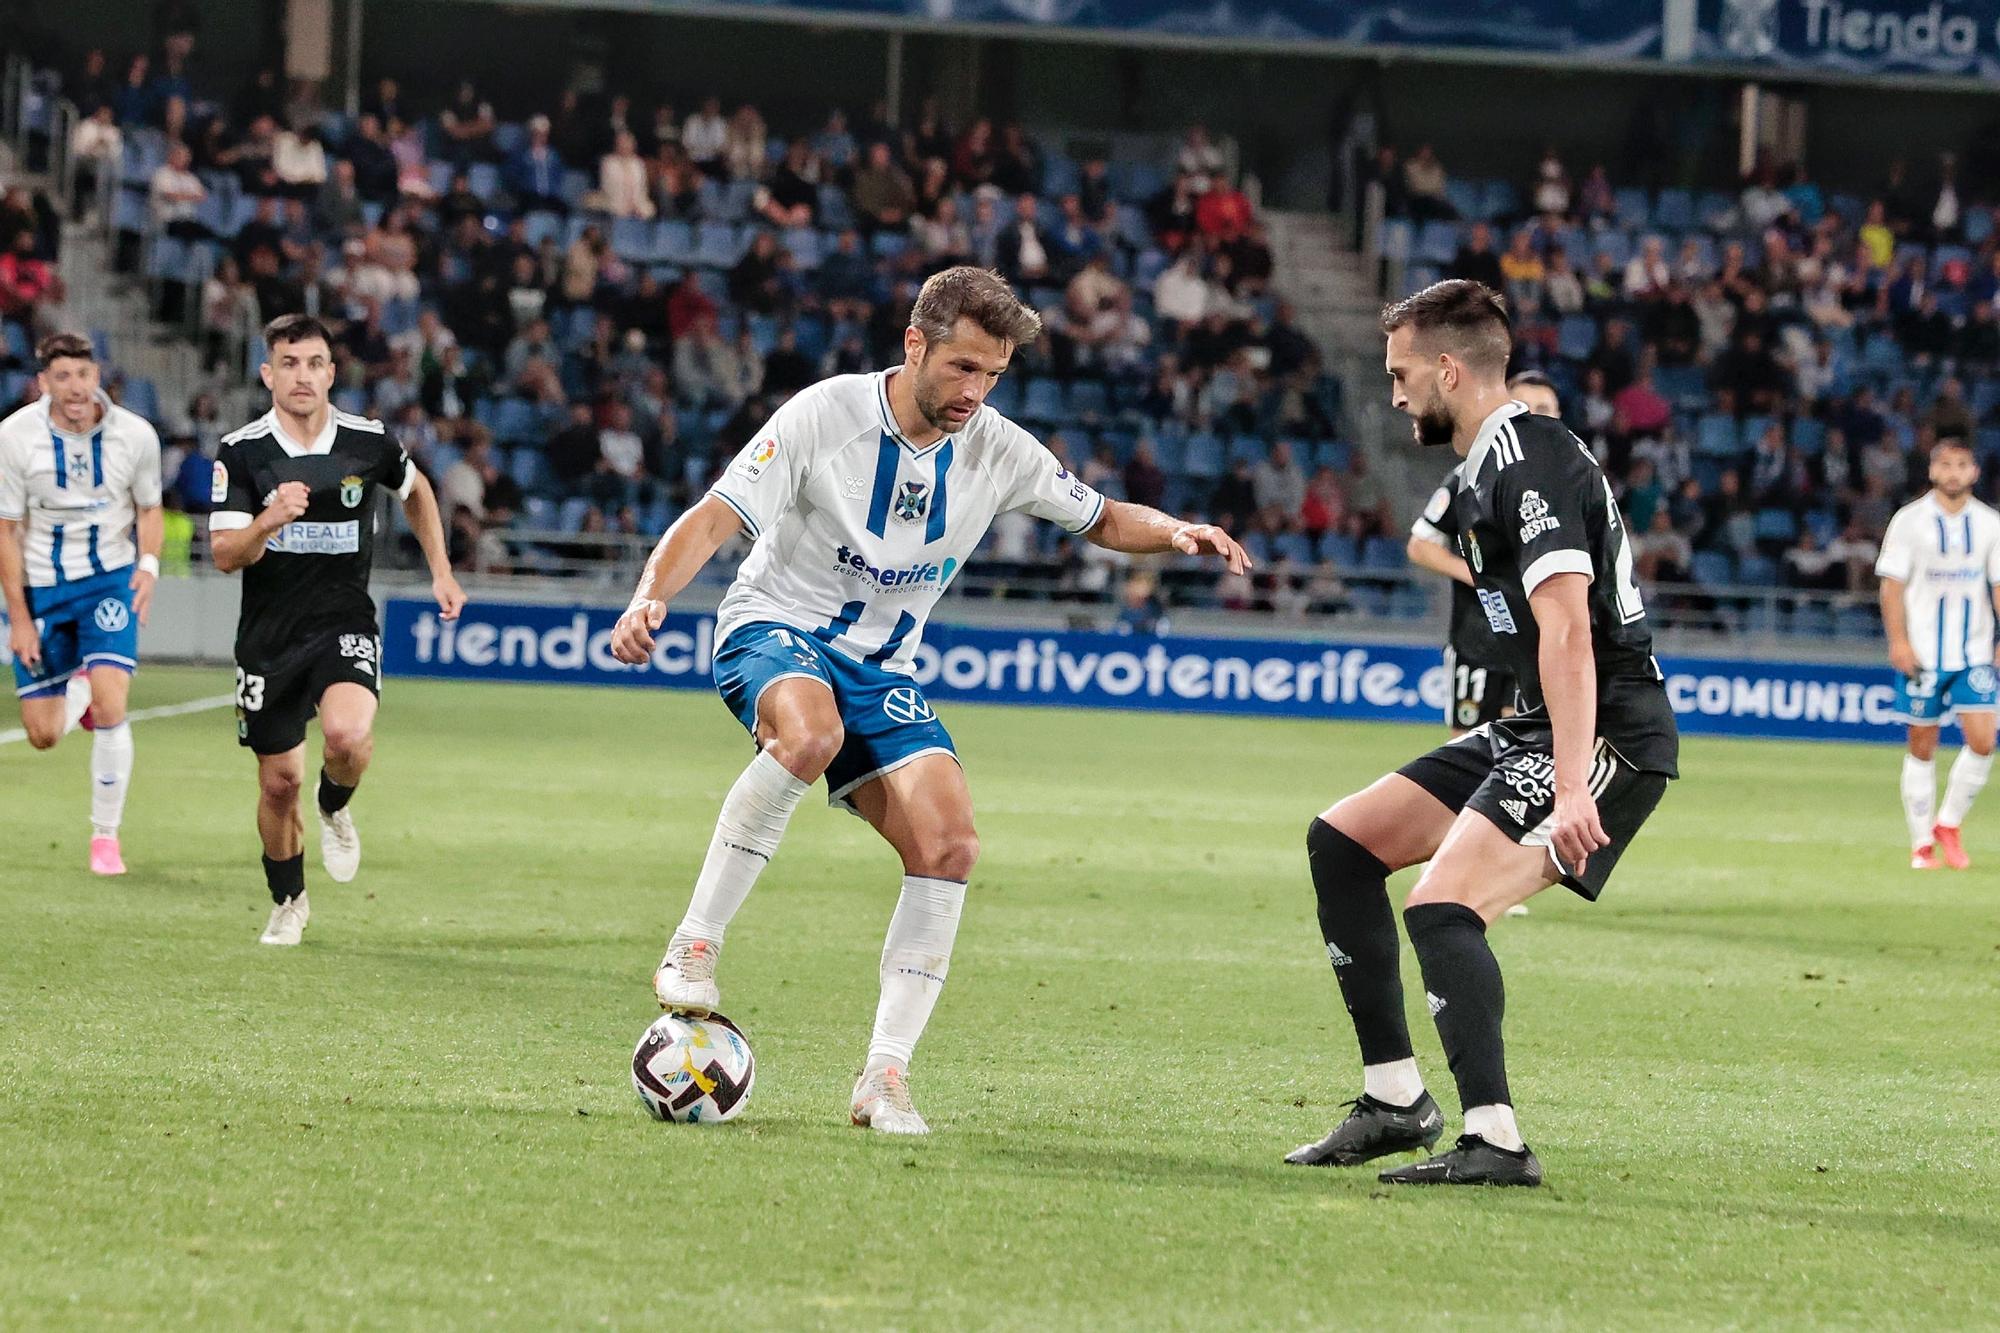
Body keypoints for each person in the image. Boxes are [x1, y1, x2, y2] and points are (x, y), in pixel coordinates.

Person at [609, 267, 1250, 1134]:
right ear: (915, 344)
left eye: (992, 374)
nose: (974, 392)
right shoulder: (823, 415)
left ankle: (884, 1076)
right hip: (774, 629)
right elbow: (717, 516)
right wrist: (652, 593)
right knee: (811, 734)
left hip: (884, 669)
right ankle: (693, 942)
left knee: (950, 844)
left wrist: (1175, 530)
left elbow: (1097, 516)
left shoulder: (998, 446)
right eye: (961, 367)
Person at [1287, 280, 1677, 1186]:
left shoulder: (1531, 462)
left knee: (1441, 904)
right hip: (1534, 725)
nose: (1393, 393)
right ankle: (1393, 1100)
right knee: (1342, 841)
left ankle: (1496, 1138)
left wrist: (1574, 782)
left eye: (1401, 373)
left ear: (1449, 369)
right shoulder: (1480, 471)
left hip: (1606, 735)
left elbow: (1573, 631)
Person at [207, 315, 466, 946]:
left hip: (344, 621)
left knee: (348, 737)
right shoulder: (242, 452)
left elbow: (417, 490)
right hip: (269, 637)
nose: (303, 375)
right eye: (289, 363)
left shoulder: (368, 440)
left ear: (331, 372)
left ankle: (334, 807)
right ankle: (289, 900)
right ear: (269, 373)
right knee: (278, 783)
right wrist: (269, 520)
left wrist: (441, 570)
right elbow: (223, 554)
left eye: (315, 362)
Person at [0, 333, 163, 874]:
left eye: (83, 375)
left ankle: (105, 838)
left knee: (113, 704)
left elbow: (149, 510)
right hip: (42, 590)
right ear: (44, 383)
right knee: (43, 735)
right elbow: (6, 531)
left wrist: (148, 565)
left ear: (98, 376)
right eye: (62, 377)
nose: (75, 388)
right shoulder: (14, 437)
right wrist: (19, 619)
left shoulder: (135, 436)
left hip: (108, 583)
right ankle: (78, 686)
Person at [1874, 437, 2000, 871]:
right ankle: (1921, 842)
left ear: (1974, 472)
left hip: (1975, 652)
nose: (1953, 472)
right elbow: (1892, 587)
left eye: (1961, 464)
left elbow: (1999, 586)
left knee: (1984, 742)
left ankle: (1948, 823)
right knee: (1922, 746)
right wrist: (1899, 642)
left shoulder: (1989, 524)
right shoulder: (1909, 521)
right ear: (1932, 471)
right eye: (1945, 464)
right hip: (1924, 652)